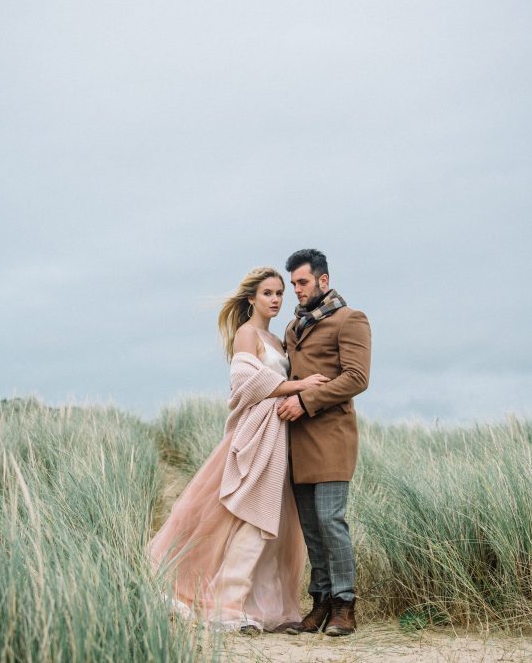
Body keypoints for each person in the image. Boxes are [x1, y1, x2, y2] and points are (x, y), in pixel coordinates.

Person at [148, 267, 327, 634]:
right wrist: (298, 385)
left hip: (280, 437)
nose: (276, 299)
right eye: (268, 293)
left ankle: (254, 608)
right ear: (251, 299)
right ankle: (227, 609)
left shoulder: (277, 341)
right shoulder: (247, 334)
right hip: (257, 434)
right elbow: (244, 381)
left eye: (280, 293)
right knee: (251, 518)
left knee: (272, 523)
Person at [278, 249, 371, 636]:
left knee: (331, 521)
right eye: (293, 284)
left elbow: (356, 378)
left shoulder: (351, 320)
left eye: (302, 282)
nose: (296, 290)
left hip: (332, 438)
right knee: (312, 528)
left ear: (323, 281)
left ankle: (344, 607)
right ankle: (320, 603)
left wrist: (305, 400)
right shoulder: (292, 327)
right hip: (296, 443)